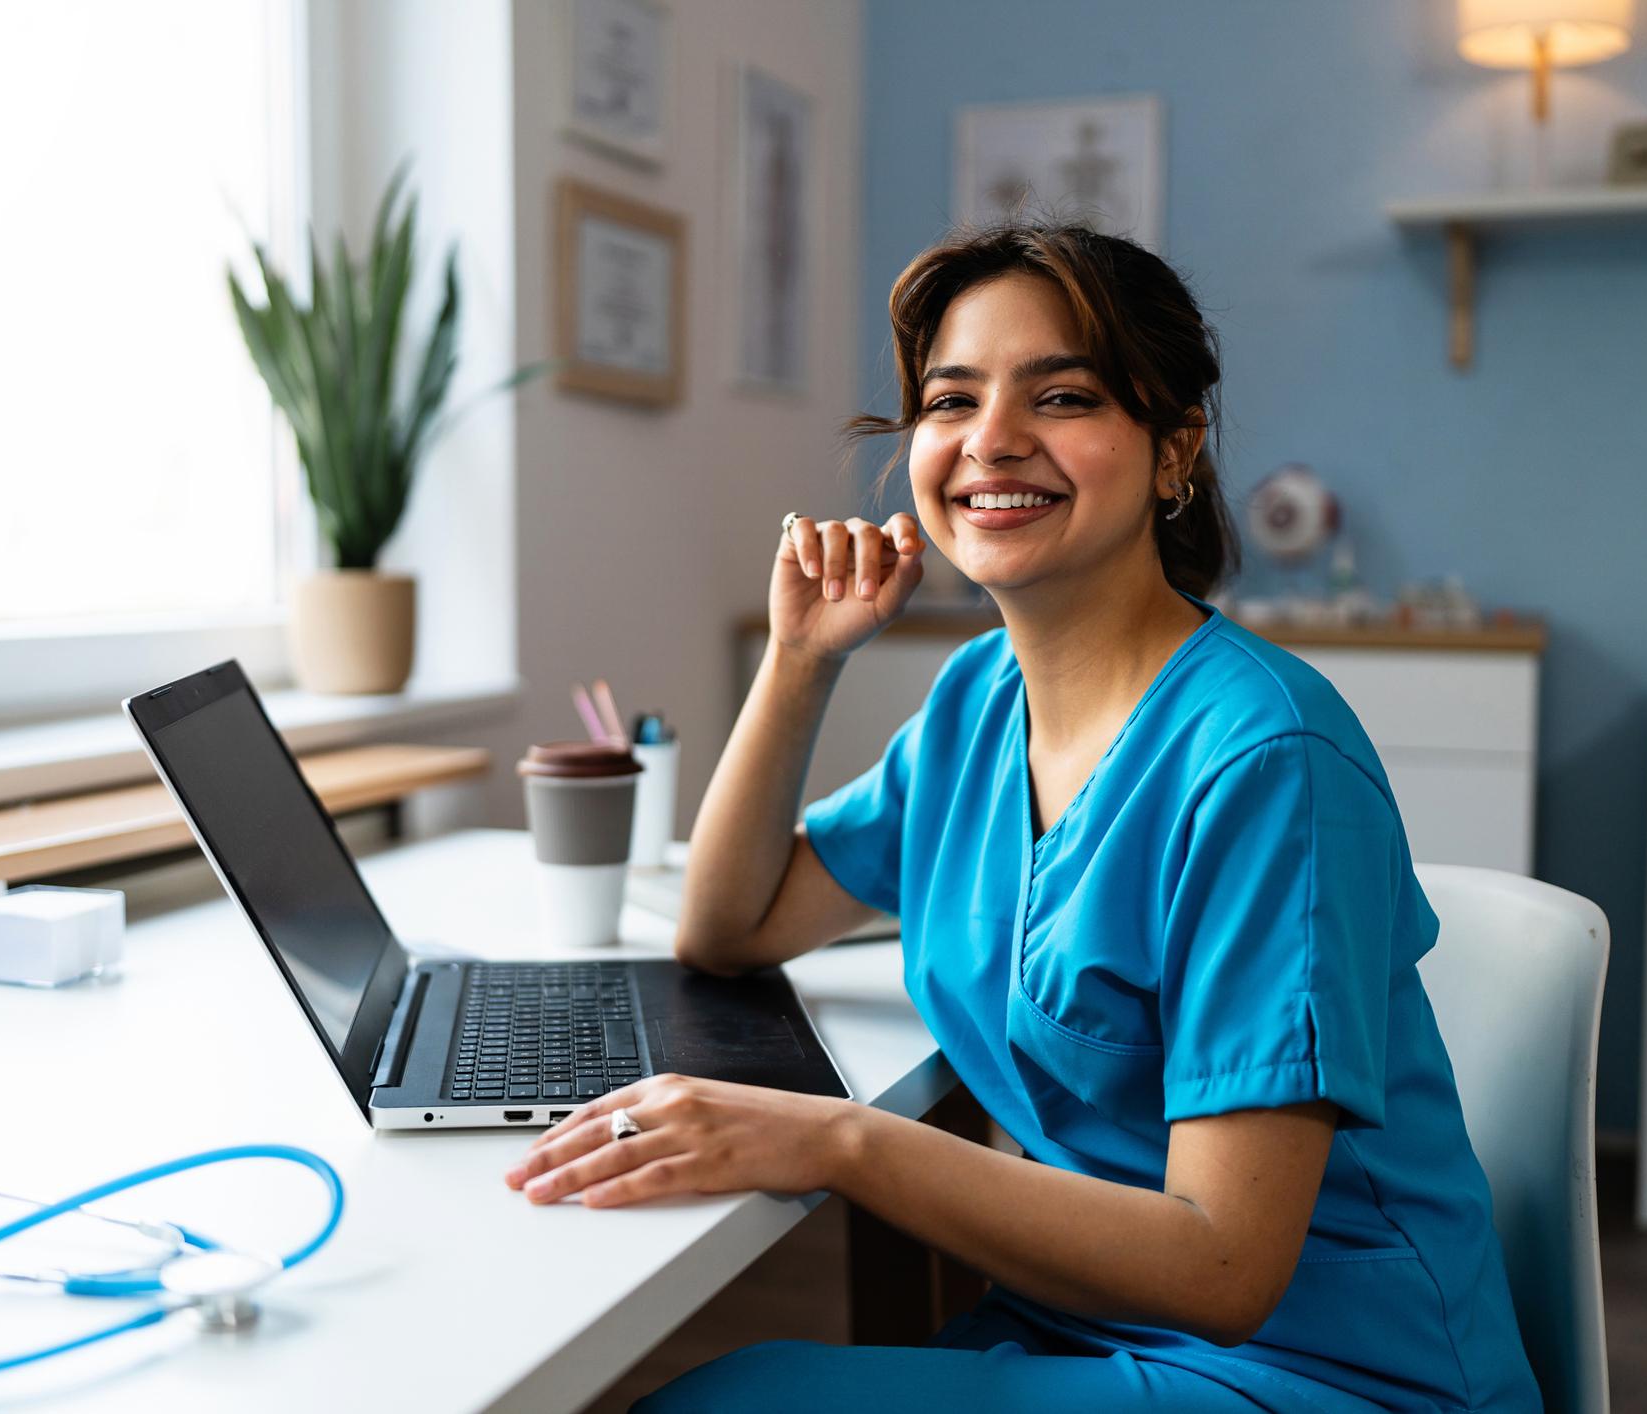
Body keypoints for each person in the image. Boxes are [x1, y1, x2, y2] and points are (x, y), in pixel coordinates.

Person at [504, 223, 1541, 1412]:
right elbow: (729, 928)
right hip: (1073, 1328)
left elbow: (1227, 1263)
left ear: (1174, 451)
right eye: (952, 400)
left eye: (1063, 394)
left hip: (1324, 1371)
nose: (992, 440)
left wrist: (840, 1141)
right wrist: (798, 663)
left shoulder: (1267, 760)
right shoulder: (975, 703)